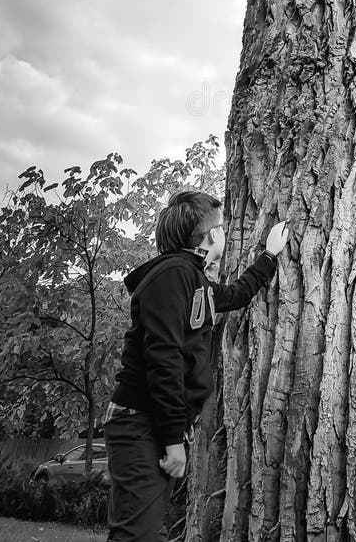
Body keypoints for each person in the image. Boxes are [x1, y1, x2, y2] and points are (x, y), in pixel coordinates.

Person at [102, 189, 289, 542]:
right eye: (220, 226)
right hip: (142, 422)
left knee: (139, 531)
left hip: (151, 424)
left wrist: (269, 256)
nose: (224, 231)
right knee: (134, 536)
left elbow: (233, 295)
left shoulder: (191, 278)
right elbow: (164, 356)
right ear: (207, 237)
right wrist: (172, 438)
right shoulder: (172, 276)